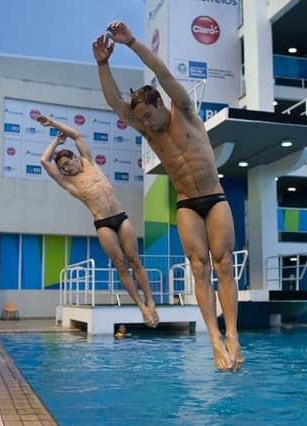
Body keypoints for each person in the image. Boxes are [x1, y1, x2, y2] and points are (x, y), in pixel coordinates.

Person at [92, 21, 243, 372]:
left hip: (215, 198)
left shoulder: (185, 111)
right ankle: (214, 339)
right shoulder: (149, 130)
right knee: (199, 268)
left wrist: (131, 43)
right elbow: (116, 102)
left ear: (160, 103)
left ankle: (233, 334)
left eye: (149, 115)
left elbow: (161, 70)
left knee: (223, 264)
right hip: (187, 204)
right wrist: (103, 65)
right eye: (141, 119)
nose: (147, 123)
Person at [37, 115, 159, 328]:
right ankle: (140, 305)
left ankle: (150, 300)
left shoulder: (89, 161)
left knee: (135, 260)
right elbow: (44, 161)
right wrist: (56, 142)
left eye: (67, 163)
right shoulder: (68, 182)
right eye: (63, 167)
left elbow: (76, 135)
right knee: (120, 264)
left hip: (121, 217)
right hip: (103, 223)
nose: (66, 168)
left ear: (75, 158)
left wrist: (53, 124)